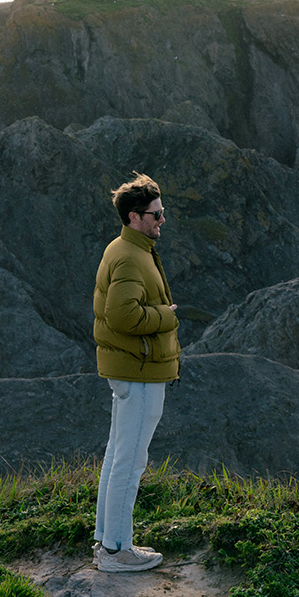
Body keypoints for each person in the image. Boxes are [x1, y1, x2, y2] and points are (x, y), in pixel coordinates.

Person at [92, 172, 180, 572]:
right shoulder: (129, 255)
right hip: (140, 372)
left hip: (131, 369)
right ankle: (116, 551)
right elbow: (122, 315)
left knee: (117, 457)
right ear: (133, 217)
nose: (162, 220)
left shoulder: (128, 248)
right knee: (130, 461)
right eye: (156, 215)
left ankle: (107, 542)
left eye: (162, 213)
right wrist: (166, 316)